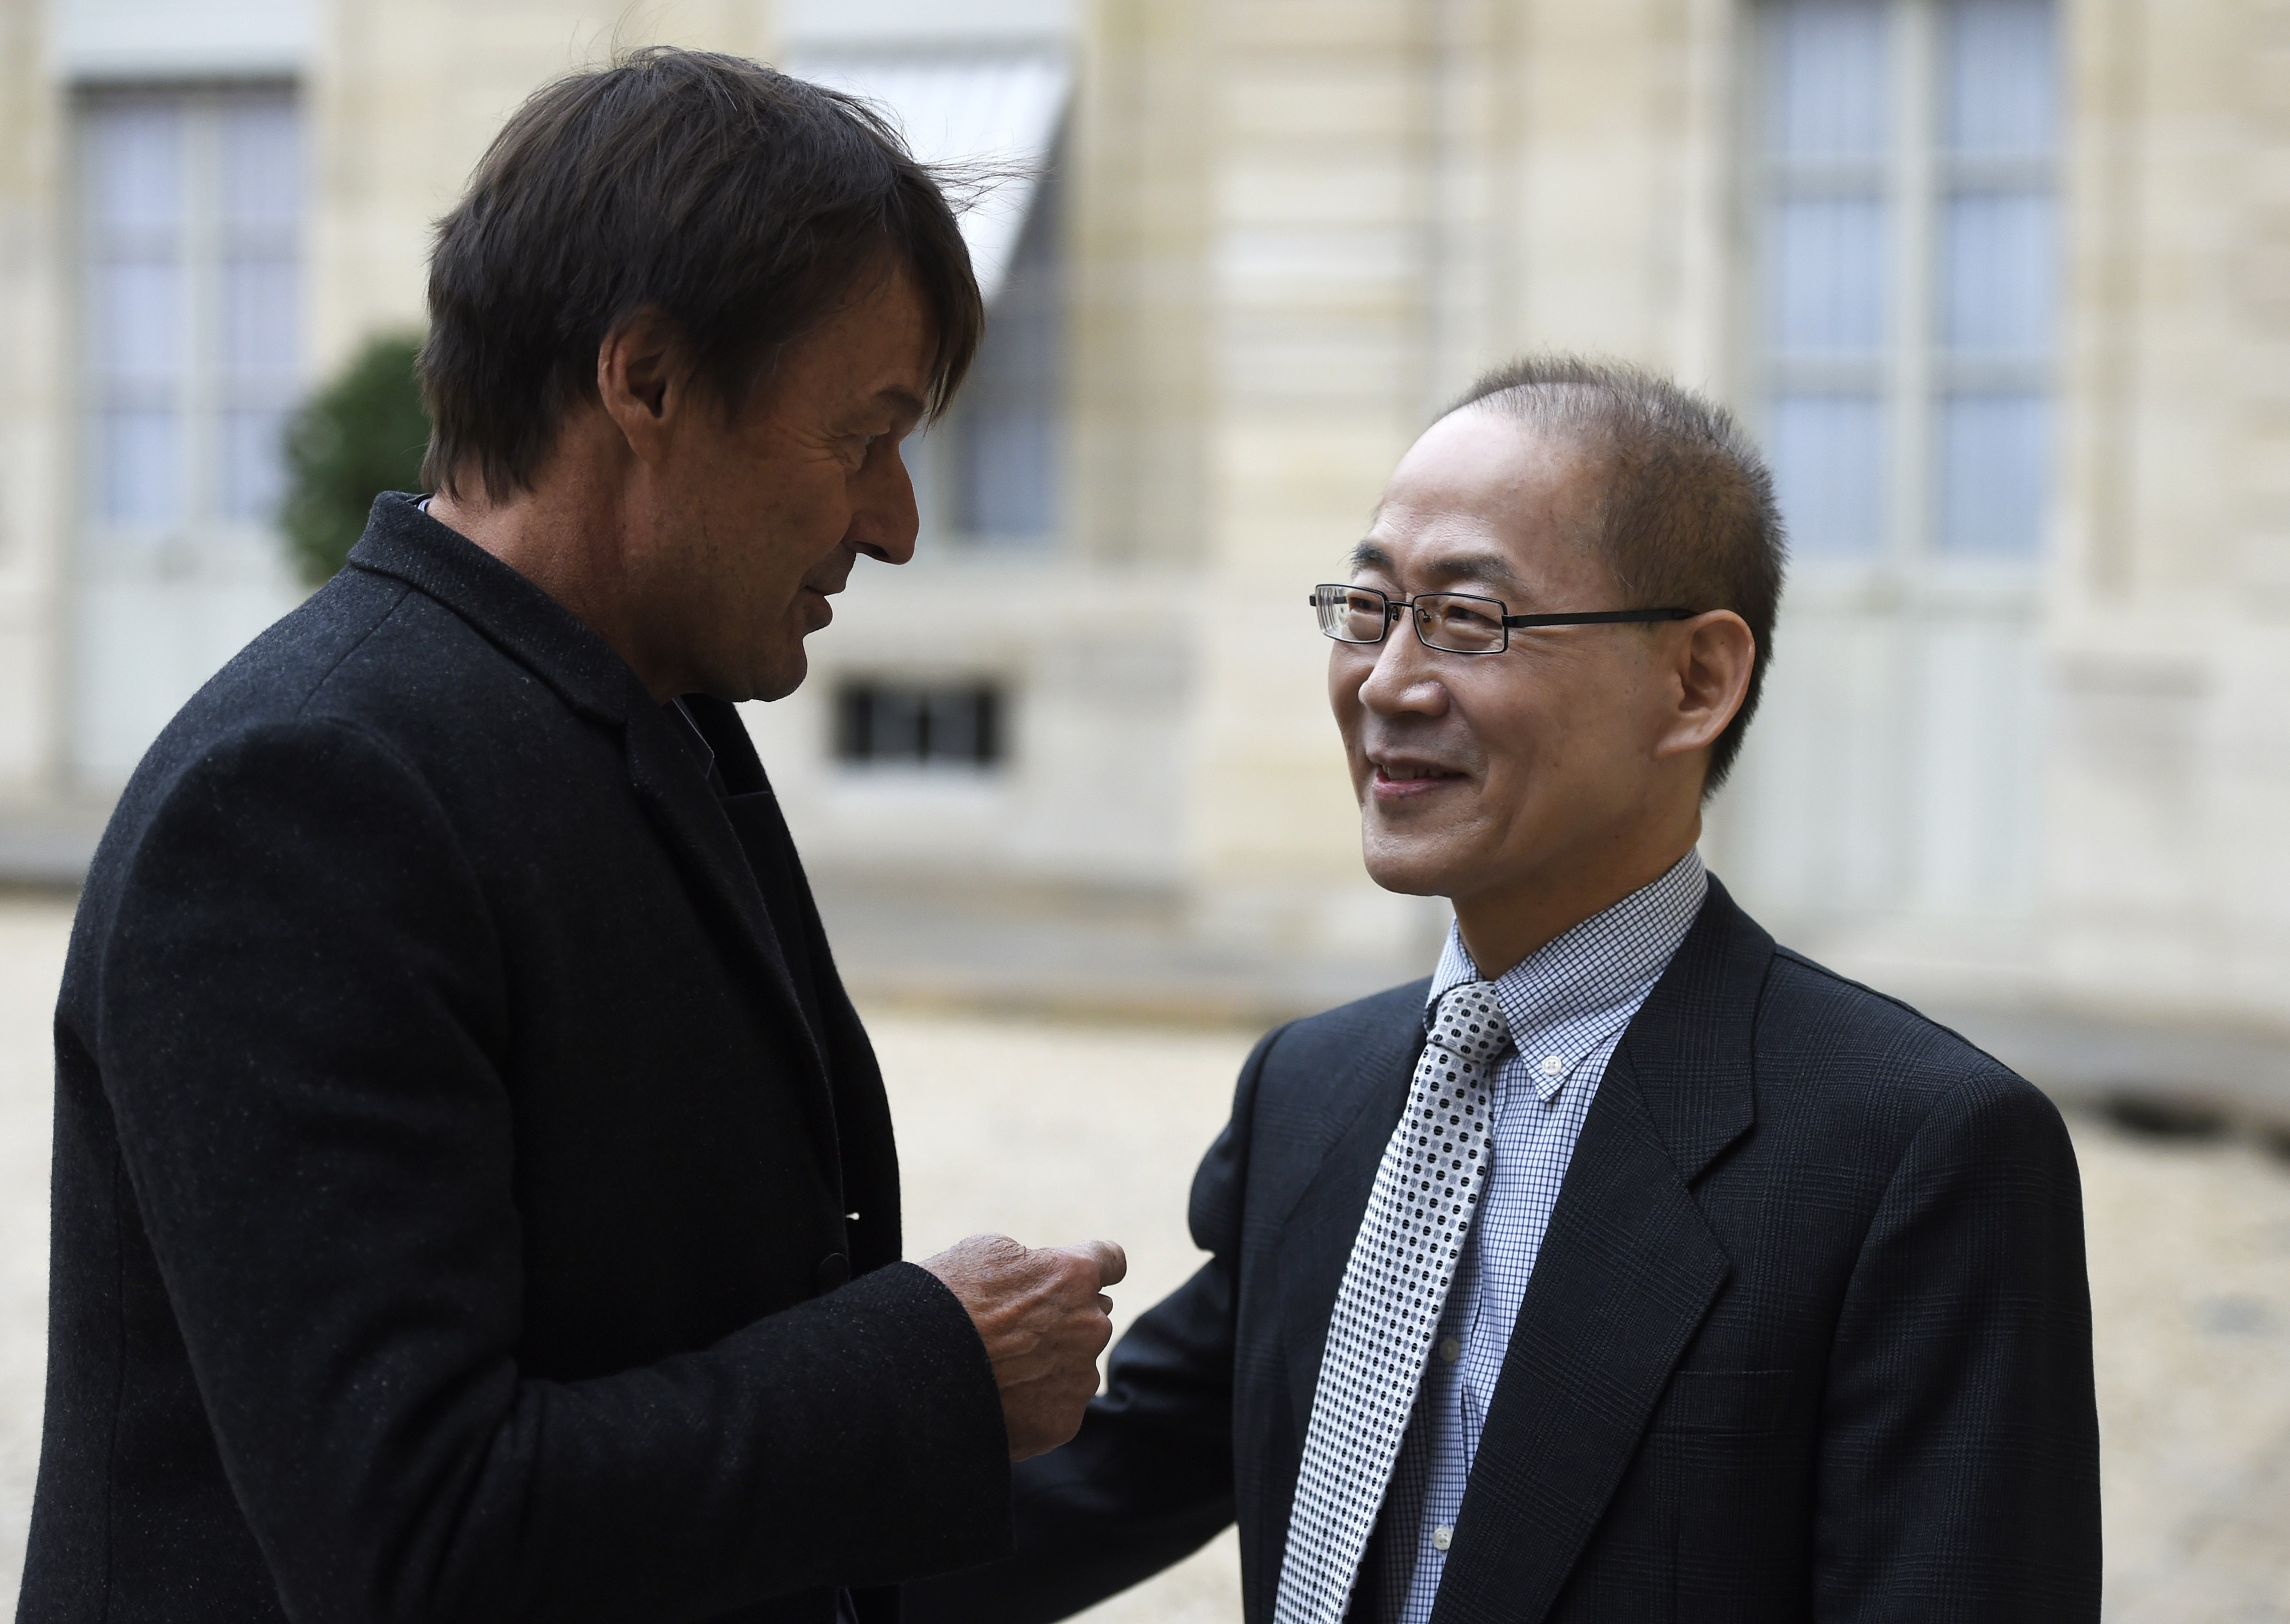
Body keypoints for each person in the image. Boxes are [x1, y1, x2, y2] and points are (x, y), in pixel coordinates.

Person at [20, 49, 1125, 1624]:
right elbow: (413, 1535)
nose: (894, 522)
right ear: (647, 382)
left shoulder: (629, 711)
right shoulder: (304, 793)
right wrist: (932, 1365)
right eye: (862, 435)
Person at [906, 357, 2101, 1624]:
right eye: (1367, 608)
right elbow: (1089, 1487)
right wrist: (824, 1414)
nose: (1386, 683)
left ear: (1694, 682)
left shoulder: (1913, 1154)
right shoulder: (1311, 1092)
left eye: (1467, 619)